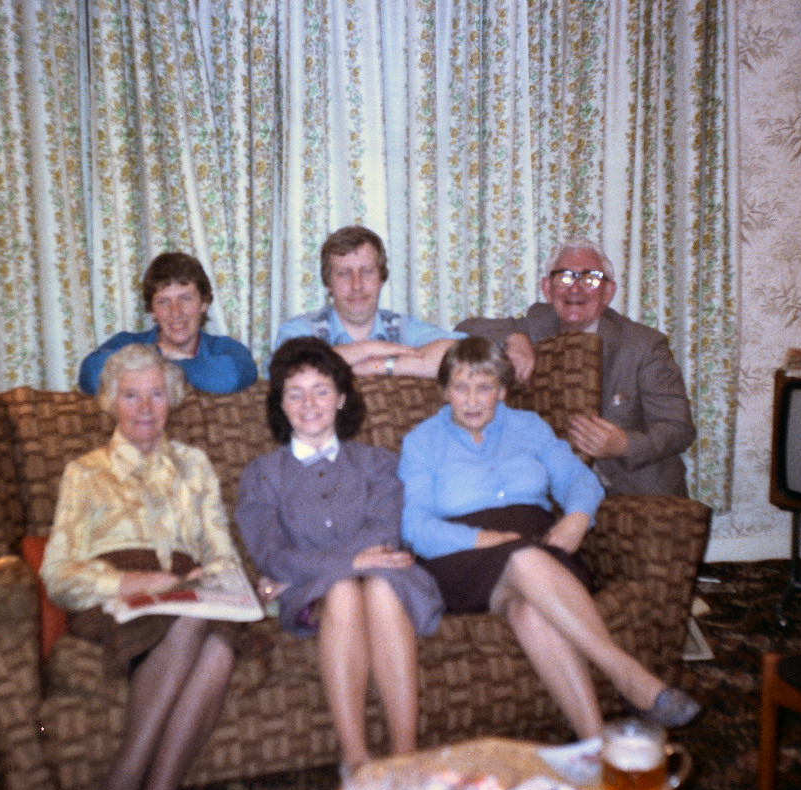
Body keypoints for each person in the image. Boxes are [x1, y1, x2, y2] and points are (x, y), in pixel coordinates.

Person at [397, 336, 699, 740]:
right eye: (460, 387)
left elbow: (579, 479)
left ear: (502, 391)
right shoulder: (421, 441)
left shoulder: (530, 427)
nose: (471, 399)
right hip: (461, 561)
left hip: (544, 552)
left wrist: (577, 519)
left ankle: (593, 746)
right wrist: (487, 539)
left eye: (484, 387)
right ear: (444, 391)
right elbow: (415, 526)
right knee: (523, 556)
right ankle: (629, 676)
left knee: (530, 613)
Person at [235, 337, 443, 776]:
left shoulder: (378, 463)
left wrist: (339, 563)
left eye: (321, 390)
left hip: (387, 578)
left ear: (342, 398)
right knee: (345, 591)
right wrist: (350, 564)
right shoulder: (262, 475)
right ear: (281, 405)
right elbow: (272, 555)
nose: (309, 403)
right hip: (315, 593)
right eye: (295, 393)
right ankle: (357, 761)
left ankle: (406, 758)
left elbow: (385, 533)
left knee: (381, 588)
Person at [42, 344, 242, 790]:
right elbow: (56, 575)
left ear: (171, 400)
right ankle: (123, 783)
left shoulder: (195, 464)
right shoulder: (85, 472)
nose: (145, 408)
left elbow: (221, 552)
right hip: (117, 599)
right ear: (111, 402)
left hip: (187, 590)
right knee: (195, 620)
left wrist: (221, 581)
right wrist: (133, 582)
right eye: (131, 395)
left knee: (221, 649)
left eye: (156, 394)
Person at [457, 240, 695, 496]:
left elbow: (678, 429)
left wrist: (624, 445)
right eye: (564, 277)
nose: (575, 288)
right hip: (557, 491)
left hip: (635, 493)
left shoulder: (644, 346)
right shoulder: (537, 326)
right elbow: (465, 329)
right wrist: (513, 339)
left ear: (608, 292)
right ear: (547, 289)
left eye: (590, 279)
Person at [273, 225, 463, 378]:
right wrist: (370, 348)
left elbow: (466, 352)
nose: (357, 285)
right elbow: (288, 369)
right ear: (328, 283)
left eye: (366, 272)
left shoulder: (401, 327)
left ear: (381, 278)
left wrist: (379, 365)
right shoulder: (301, 330)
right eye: (344, 274)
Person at [79, 252, 257, 395]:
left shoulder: (223, 348)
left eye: (185, 298)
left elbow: (231, 377)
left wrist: (178, 361)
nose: (175, 312)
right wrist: (157, 353)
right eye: (163, 302)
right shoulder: (127, 343)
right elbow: (90, 375)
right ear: (152, 310)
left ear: (204, 303)